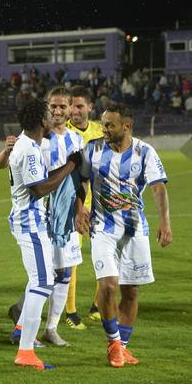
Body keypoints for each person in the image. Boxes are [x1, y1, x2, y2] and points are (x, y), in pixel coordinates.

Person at [75, 103, 171, 368]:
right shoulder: (92, 149)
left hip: (134, 231)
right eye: (103, 124)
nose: (104, 129)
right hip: (102, 229)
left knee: (131, 292)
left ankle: (122, 346)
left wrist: (165, 223)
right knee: (107, 287)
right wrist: (79, 207)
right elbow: (81, 181)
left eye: (110, 125)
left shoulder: (145, 152)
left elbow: (158, 188)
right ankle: (114, 343)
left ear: (126, 126)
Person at [7, 98, 81, 370]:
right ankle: (25, 350)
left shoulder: (29, 145)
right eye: (50, 115)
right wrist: (71, 166)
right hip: (30, 222)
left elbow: (40, 179)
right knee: (41, 283)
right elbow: (39, 188)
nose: (54, 118)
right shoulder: (28, 149)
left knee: (41, 280)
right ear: (41, 122)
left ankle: (20, 329)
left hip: (32, 220)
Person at [66, 85, 106, 326]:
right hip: (74, 205)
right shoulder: (63, 132)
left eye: (79, 106)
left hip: (100, 206)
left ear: (90, 107)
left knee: (106, 256)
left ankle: (97, 306)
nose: (74, 111)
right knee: (72, 260)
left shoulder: (101, 131)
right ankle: (70, 312)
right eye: (71, 106)